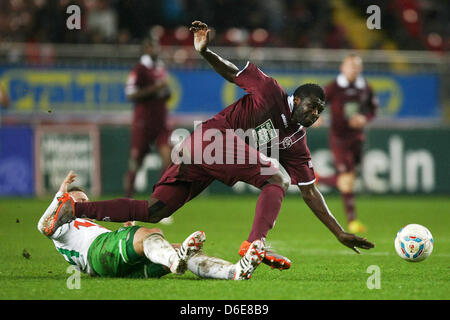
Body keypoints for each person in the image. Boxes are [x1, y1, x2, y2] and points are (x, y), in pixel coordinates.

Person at [66, 21, 375, 272]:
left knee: (155, 210)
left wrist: (339, 232)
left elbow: (309, 190)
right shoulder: (270, 91)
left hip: (204, 154)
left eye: (320, 111)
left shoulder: (295, 140)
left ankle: (71, 210)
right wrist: (205, 51)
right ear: (297, 98)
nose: (315, 114)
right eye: (312, 106)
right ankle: (255, 243)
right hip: (212, 140)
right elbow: (232, 72)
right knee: (276, 178)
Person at [38, 171, 265, 280]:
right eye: (81, 200)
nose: (86, 204)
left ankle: (234, 272)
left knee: (179, 248)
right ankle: (174, 260)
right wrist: (61, 194)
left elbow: (115, 242)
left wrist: (128, 226)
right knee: (151, 233)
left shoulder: (88, 229)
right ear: (68, 203)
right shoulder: (61, 227)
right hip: (97, 255)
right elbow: (44, 225)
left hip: (110, 268)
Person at [318, 54, 378, 234]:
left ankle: (318, 179)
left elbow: (372, 110)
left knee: (350, 179)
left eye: (356, 67)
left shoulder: (365, 87)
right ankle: (352, 222)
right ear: (342, 68)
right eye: (350, 66)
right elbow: (319, 102)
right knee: (347, 179)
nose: (353, 70)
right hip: (339, 138)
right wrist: (316, 115)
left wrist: (364, 118)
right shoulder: (334, 87)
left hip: (357, 138)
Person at [124, 37, 172, 199]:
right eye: (151, 47)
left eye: (156, 47)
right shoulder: (139, 69)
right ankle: (128, 197)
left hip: (160, 121)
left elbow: (164, 92)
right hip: (143, 122)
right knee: (136, 161)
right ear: (145, 49)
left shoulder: (160, 68)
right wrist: (155, 88)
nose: (155, 50)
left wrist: (165, 92)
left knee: (168, 159)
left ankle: (159, 200)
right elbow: (130, 94)